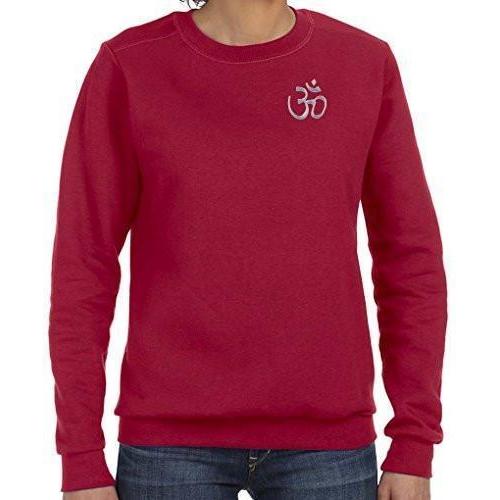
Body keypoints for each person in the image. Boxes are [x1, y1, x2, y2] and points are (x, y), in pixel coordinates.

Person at [49, 0, 447, 498]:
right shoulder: (130, 66)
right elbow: (83, 266)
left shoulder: (362, 62)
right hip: (169, 446)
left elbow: (410, 259)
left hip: (328, 445)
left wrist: (414, 440)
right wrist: (81, 457)